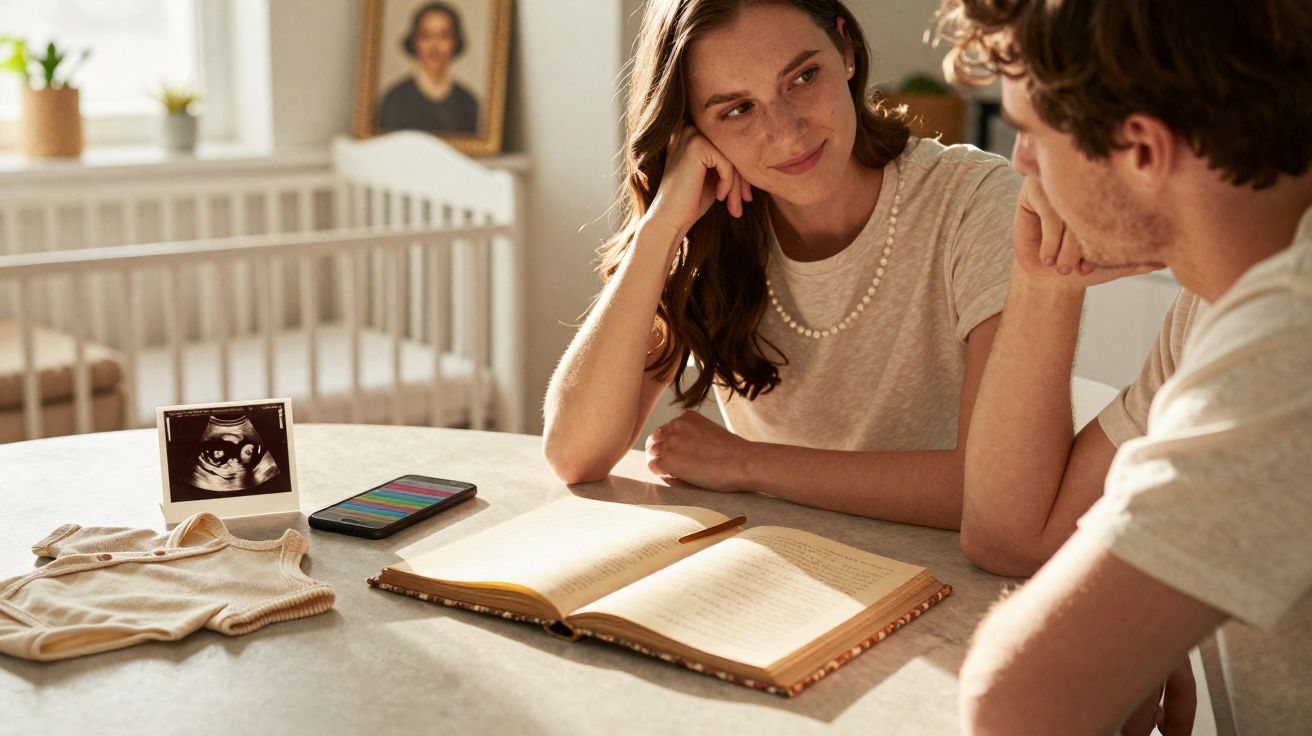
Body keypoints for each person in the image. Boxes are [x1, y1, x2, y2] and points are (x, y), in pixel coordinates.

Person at [936, 0, 1312, 733]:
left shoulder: (1290, 328)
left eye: (1035, 136)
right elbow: (1019, 535)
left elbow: (1018, 703)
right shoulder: (1218, 303)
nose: (1020, 165)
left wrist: (1092, 643)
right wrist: (1044, 278)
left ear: (1140, 148)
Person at [542, 0, 1021, 528]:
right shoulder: (707, 232)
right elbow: (575, 455)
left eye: (803, 76)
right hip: (778, 575)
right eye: (737, 110)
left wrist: (748, 464)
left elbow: (992, 489)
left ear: (845, 49)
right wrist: (659, 229)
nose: (787, 131)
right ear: (694, 131)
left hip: (950, 581)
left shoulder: (974, 200)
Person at [377, 1, 479, 134]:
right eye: (426, 36)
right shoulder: (395, 99)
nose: (434, 46)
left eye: (444, 36)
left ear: (455, 42)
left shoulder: (467, 102)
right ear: (414, 42)